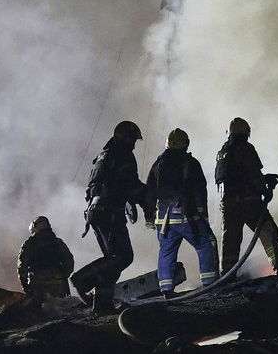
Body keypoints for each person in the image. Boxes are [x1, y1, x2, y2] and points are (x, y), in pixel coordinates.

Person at [71, 121, 146, 314]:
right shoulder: (123, 155)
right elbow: (132, 185)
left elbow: (99, 184)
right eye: (133, 140)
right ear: (126, 137)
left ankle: (102, 306)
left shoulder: (103, 155)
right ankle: (82, 279)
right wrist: (148, 196)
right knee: (123, 256)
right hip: (109, 211)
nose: (134, 145)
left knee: (111, 262)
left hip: (96, 212)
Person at [145, 128, 218, 297]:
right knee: (206, 244)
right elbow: (200, 189)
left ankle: (166, 290)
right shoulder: (190, 163)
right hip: (187, 217)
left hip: (164, 220)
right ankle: (209, 284)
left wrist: (149, 217)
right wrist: (203, 214)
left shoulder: (158, 164)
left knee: (166, 251)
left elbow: (149, 192)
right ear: (186, 144)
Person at [216, 117, 278, 277]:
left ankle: (227, 276)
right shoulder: (246, 148)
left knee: (230, 241)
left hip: (229, 205)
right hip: (249, 202)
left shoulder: (222, 152)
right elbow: (252, 175)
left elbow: (231, 177)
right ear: (246, 132)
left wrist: (264, 179)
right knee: (268, 231)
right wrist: (265, 188)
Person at [17, 217, 73, 300]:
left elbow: (22, 266)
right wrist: (63, 276)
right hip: (58, 283)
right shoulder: (57, 242)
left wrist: (24, 285)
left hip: (38, 284)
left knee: (41, 310)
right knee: (61, 308)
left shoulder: (29, 245)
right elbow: (69, 261)